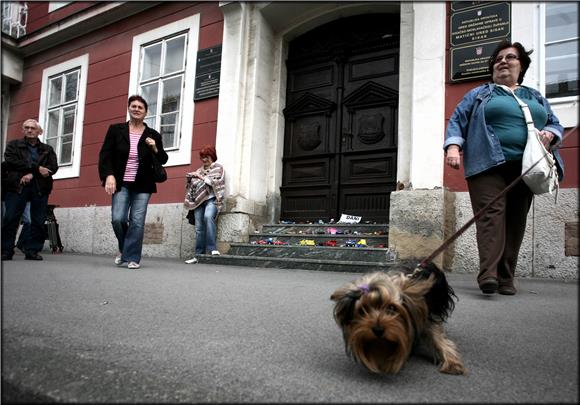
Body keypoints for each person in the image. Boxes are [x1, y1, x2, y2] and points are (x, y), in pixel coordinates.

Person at [443, 40, 564, 295]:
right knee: (490, 217)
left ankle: (506, 277)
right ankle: (489, 275)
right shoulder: (480, 93)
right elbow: (458, 119)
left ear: (521, 66)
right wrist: (453, 147)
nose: (503, 61)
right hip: (487, 165)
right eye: (498, 58)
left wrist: (551, 134)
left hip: (527, 166)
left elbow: (555, 123)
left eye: (510, 57)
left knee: (515, 221)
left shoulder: (534, 96)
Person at [98, 95, 168, 269]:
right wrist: (109, 175)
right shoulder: (115, 130)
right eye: (133, 106)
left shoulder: (153, 134)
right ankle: (124, 248)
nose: (136, 109)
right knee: (118, 219)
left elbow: (163, 159)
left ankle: (132, 257)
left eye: (140, 107)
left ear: (146, 112)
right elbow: (105, 155)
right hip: (121, 182)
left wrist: (155, 148)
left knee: (137, 221)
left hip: (143, 184)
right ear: (129, 108)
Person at [1, 119, 58, 261]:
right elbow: (11, 162)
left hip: (40, 187)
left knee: (38, 220)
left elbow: (53, 167)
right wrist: (37, 168)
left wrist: (32, 174)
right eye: (26, 128)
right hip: (17, 186)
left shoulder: (47, 149)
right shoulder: (14, 146)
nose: (29, 130)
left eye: (33, 128)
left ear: (39, 131)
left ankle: (32, 250)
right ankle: (6, 250)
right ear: (23, 130)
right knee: (10, 218)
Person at [184, 145, 225, 264]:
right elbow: (194, 185)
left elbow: (216, 182)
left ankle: (212, 249)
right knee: (198, 228)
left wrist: (200, 177)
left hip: (212, 199)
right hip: (198, 201)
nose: (204, 160)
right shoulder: (199, 170)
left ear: (212, 156)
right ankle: (198, 254)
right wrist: (191, 179)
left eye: (206, 157)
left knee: (208, 217)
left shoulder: (218, 168)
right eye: (202, 157)